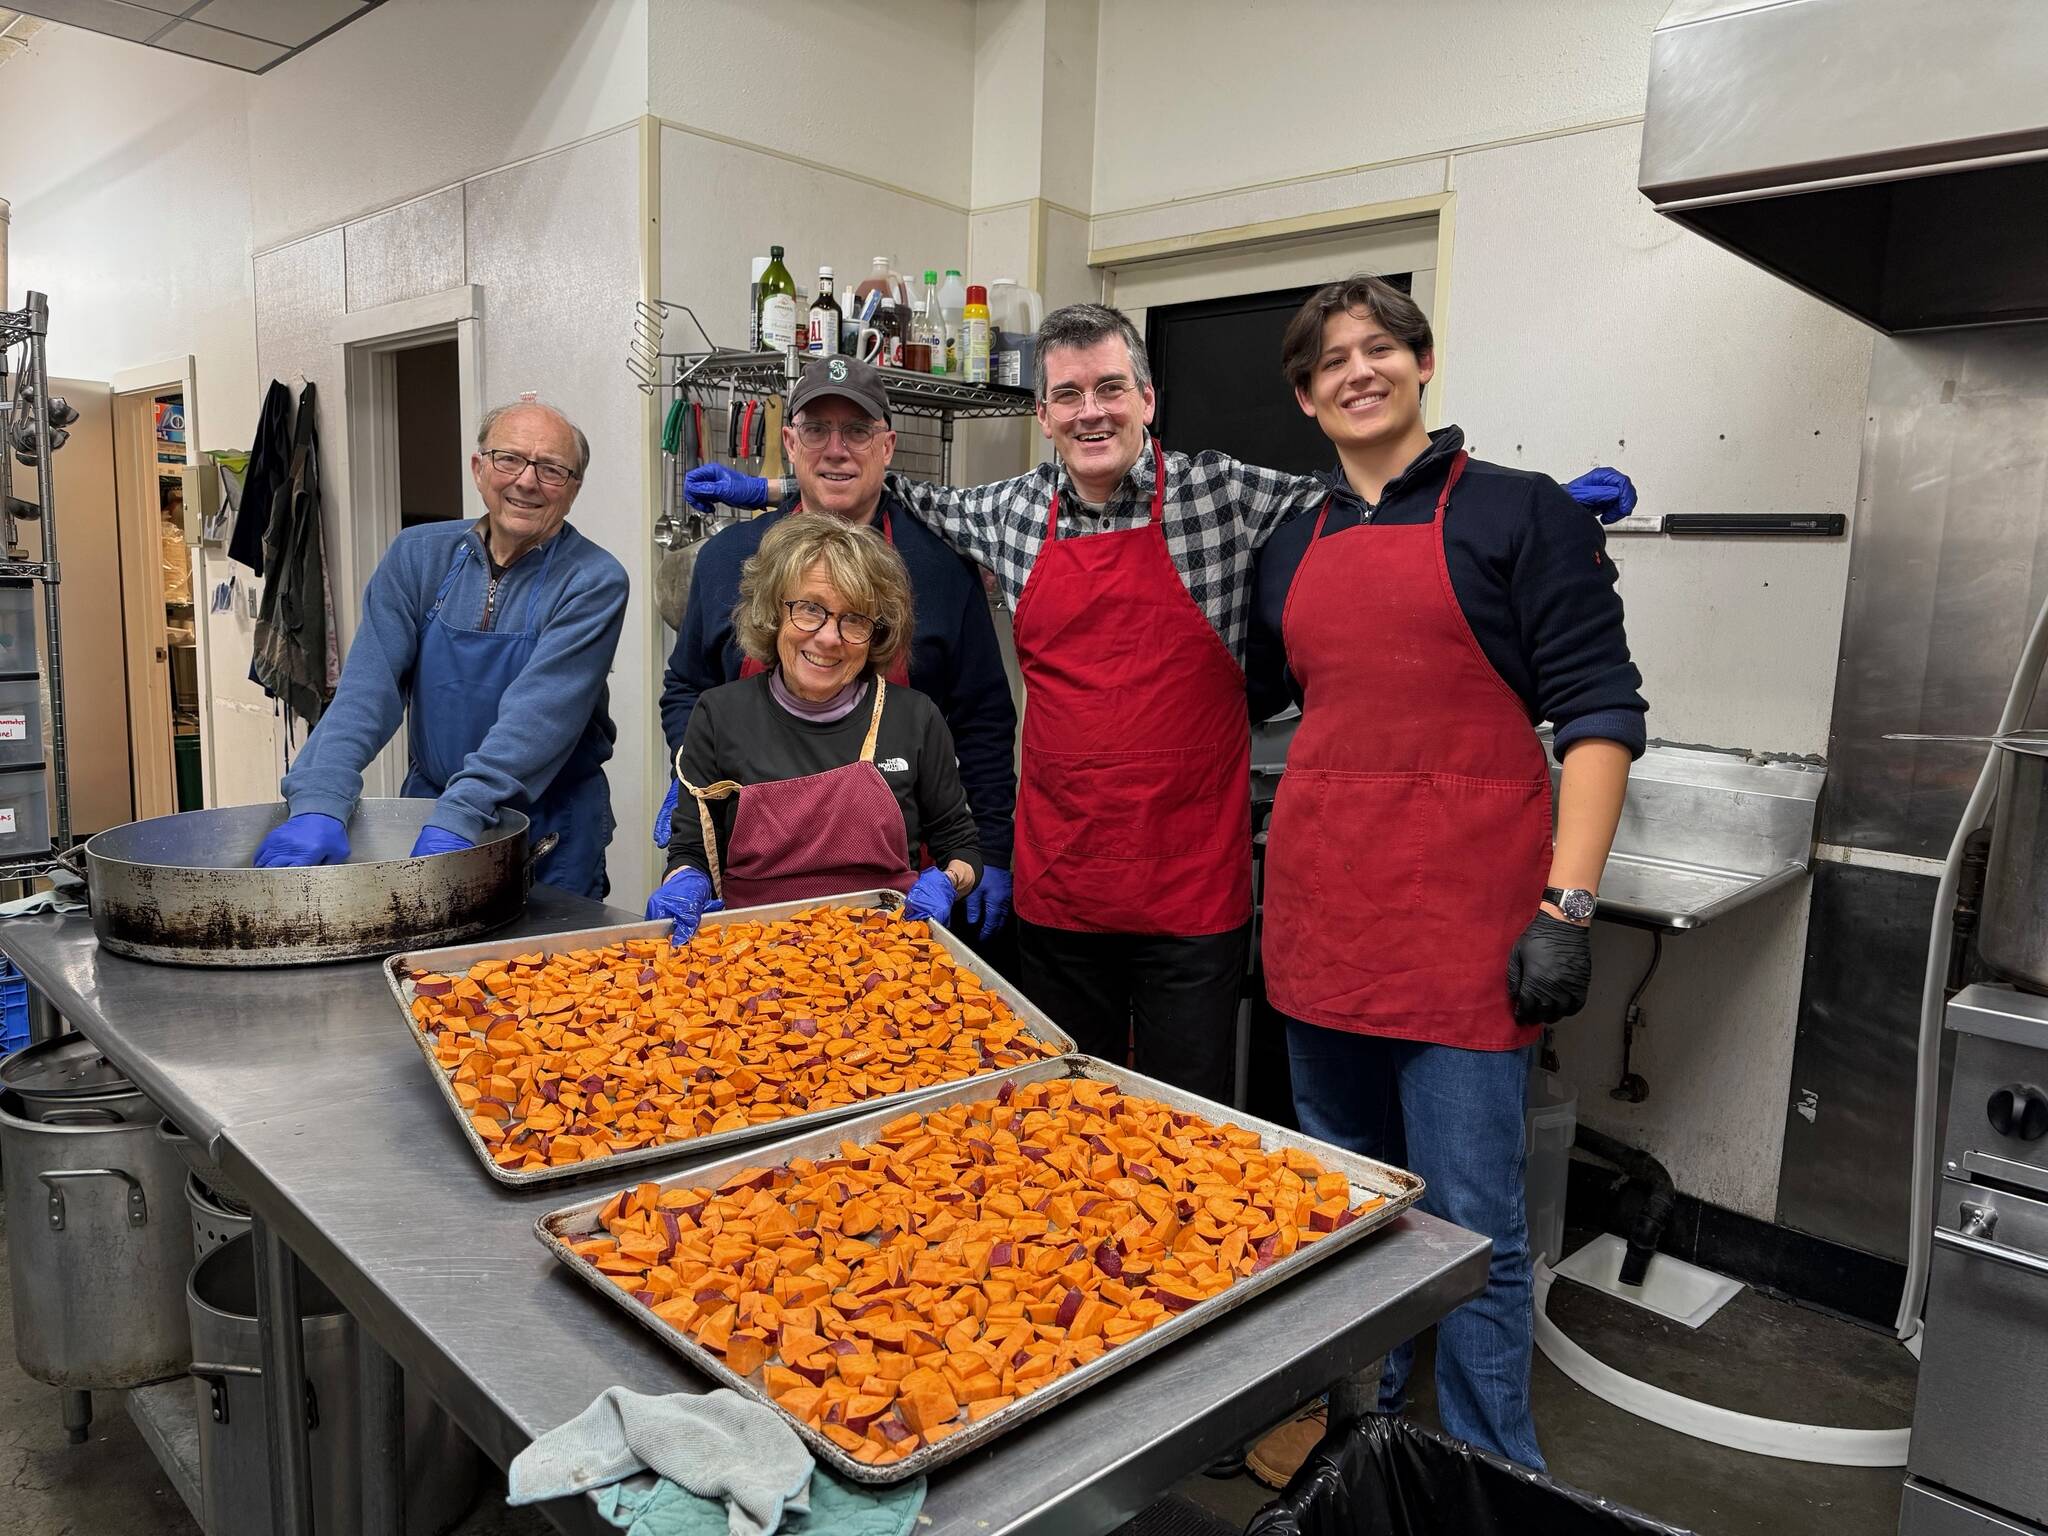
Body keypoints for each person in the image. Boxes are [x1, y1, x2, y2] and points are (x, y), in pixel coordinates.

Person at [685, 305, 1632, 1105]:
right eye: (1067, 396)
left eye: (1108, 389)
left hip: (1191, 893)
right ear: (1045, 417)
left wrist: (1539, 496)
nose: (1089, 412)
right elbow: (887, 485)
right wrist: (770, 488)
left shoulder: (1227, 494)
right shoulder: (1008, 511)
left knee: (1184, 1124)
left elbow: (1372, 484)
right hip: (1060, 891)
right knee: (1060, 1106)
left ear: (1146, 398)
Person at [1244, 274, 1644, 1481]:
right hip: (1323, 915)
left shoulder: (1519, 513)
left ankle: (1486, 1468)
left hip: (1468, 925)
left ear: (1422, 365)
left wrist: (1564, 908)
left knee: (1471, 1225)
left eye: (1380, 348)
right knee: (1343, 1207)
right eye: (1329, 363)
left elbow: (1597, 718)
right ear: (1307, 402)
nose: (1356, 371)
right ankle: (1354, 1436)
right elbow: (1266, 696)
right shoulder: (1288, 544)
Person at [657, 356, 1016, 941]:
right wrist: (694, 770)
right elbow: (687, 688)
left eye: (856, 431)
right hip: (750, 891)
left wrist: (989, 850)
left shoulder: (942, 570)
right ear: (792, 443)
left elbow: (983, 720)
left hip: (896, 893)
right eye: (817, 430)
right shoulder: (726, 561)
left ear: (888, 446)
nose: (836, 449)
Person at [252, 401, 628, 900]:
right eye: (508, 459)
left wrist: (459, 819)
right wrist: (319, 795)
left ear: (574, 489)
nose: (526, 481)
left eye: (552, 470)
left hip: (551, 821)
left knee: (548, 973)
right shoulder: (417, 556)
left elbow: (538, 720)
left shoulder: (593, 581)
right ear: (479, 469)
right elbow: (369, 689)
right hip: (432, 806)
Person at [646, 513, 979, 940]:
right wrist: (683, 881)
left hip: (887, 954)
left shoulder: (914, 719)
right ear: (773, 611)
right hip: (749, 953)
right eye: (809, 609)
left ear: (877, 634)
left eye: (855, 619)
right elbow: (691, 849)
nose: (828, 637)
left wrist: (949, 881)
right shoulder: (718, 714)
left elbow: (961, 846)